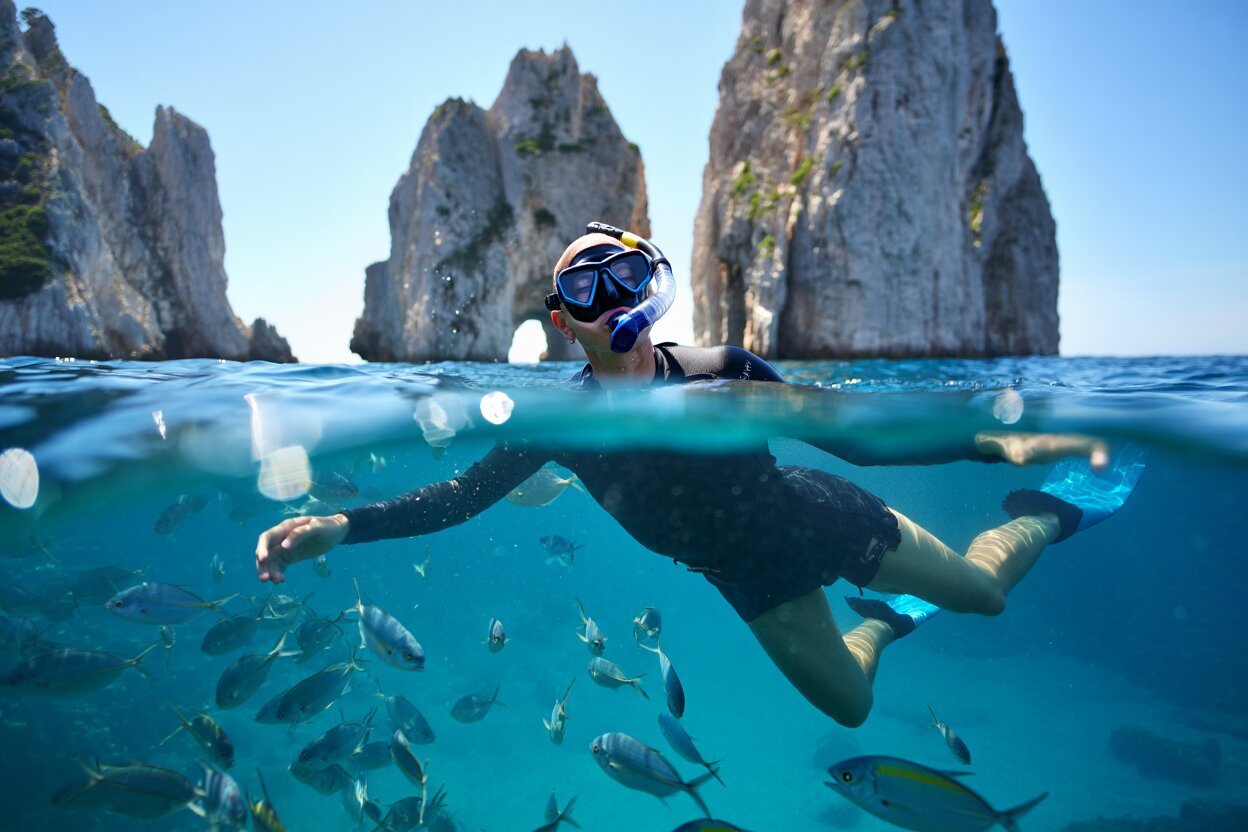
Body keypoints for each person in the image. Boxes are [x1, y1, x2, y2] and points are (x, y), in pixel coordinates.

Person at [255, 224, 1140, 727]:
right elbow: (457, 498)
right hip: (755, 583)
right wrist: (339, 526)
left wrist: (993, 446)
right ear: (567, 324)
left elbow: (855, 439)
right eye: (589, 290)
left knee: (985, 595)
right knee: (852, 709)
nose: (616, 301)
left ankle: (1045, 514)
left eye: (628, 275)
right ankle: (879, 629)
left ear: (652, 285)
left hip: (823, 516)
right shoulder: (557, 423)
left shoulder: (722, 370)